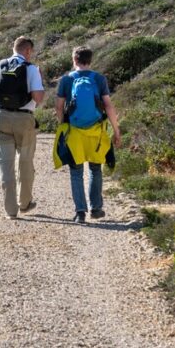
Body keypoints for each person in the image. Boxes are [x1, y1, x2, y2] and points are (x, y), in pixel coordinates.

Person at [54, 45, 122, 224]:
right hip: (96, 131)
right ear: (90, 60)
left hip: (75, 132)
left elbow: (59, 107)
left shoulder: (67, 79)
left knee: (76, 172)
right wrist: (116, 130)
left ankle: (80, 212)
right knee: (95, 169)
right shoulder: (99, 79)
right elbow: (108, 106)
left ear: (74, 60)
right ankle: (96, 208)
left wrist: (63, 126)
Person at [0, 35, 45, 219]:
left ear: (14, 48)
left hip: (1, 117)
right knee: (25, 162)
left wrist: (1, 91)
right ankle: (24, 204)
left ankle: (10, 211)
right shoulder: (31, 69)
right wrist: (38, 81)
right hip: (24, 119)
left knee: (5, 164)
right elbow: (38, 99)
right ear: (27, 50)